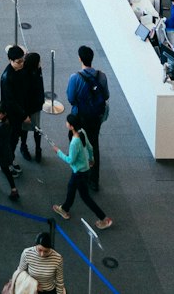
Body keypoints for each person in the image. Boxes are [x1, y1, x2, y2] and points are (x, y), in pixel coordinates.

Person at [50, 113, 112, 229]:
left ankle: (104, 218)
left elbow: (70, 160)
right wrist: (91, 159)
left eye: (67, 122)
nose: (66, 123)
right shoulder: (82, 132)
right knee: (71, 188)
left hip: (79, 172)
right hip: (84, 170)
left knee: (85, 197)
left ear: (71, 126)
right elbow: (90, 147)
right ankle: (64, 209)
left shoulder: (74, 142)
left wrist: (58, 152)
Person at [66, 45, 109, 192]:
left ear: (80, 59)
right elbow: (106, 95)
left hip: (80, 116)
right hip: (95, 117)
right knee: (93, 145)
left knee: (77, 142)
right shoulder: (102, 76)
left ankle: (79, 173)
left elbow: (71, 98)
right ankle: (94, 180)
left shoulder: (75, 78)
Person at [0, 44, 29, 151]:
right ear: (10, 60)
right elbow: (10, 101)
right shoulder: (7, 78)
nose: (21, 64)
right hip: (12, 114)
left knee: (17, 135)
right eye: (18, 62)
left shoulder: (19, 70)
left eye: (22, 61)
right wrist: (23, 115)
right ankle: (9, 160)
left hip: (20, 107)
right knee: (12, 138)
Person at [19, 52, 46, 162]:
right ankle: (23, 147)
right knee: (25, 129)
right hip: (27, 108)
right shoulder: (24, 75)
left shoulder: (37, 70)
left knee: (37, 129)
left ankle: (37, 149)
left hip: (36, 106)